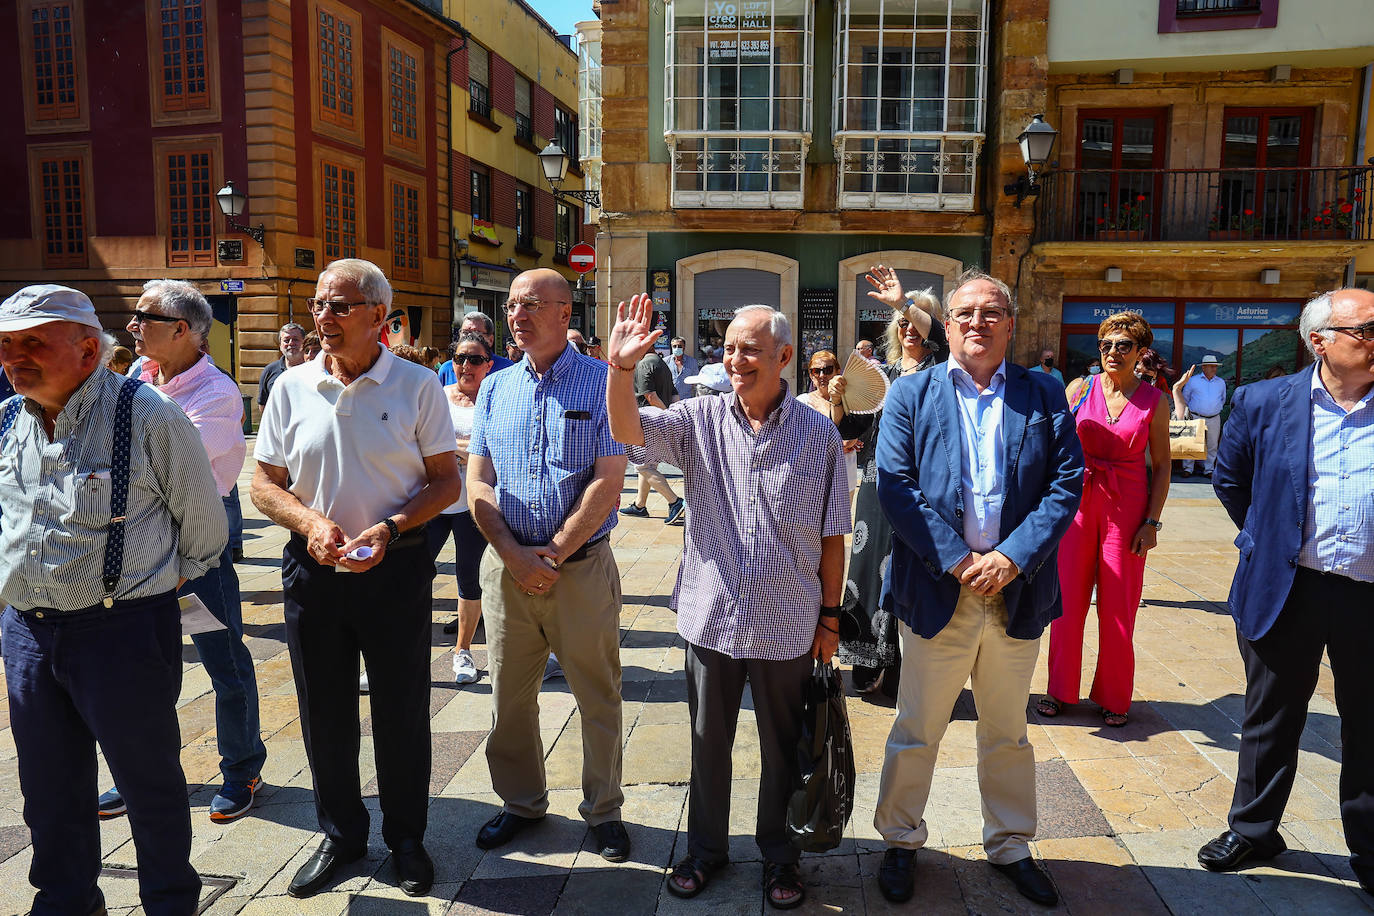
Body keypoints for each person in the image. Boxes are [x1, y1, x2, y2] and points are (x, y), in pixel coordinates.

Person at [606, 297, 850, 910]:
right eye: (729, 347)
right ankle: (706, 851)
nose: (734, 359)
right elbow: (629, 433)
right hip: (713, 617)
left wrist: (829, 616)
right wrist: (619, 370)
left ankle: (780, 856)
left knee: (782, 746)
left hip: (788, 622)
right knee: (706, 743)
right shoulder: (701, 418)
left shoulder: (820, 432)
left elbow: (832, 533)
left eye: (749, 349)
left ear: (784, 357)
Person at [0, 284, 228, 915]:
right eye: (7, 344)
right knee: (48, 787)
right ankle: (67, 901)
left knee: (147, 783)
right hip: (26, 632)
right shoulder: (8, 421)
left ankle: (169, 902)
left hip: (121, 631)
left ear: (86, 347)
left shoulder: (149, 416)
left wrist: (150, 586)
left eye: (33, 342)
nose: (15, 357)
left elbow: (204, 525)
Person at [251, 259, 462, 898]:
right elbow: (263, 484)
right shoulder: (290, 386)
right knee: (324, 711)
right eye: (319, 305)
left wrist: (393, 528)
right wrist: (310, 522)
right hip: (313, 570)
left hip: (394, 568)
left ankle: (406, 839)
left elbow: (447, 480)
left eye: (340, 306)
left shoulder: (419, 386)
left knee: (401, 709)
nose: (324, 317)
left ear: (379, 317)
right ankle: (342, 835)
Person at [873, 270, 1083, 907]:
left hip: (1016, 592)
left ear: (1010, 325)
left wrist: (1014, 558)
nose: (977, 323)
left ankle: (1011, 844)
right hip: (940, 591)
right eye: (965, 312)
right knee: (917, 728)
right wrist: (959, 559)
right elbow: (894, 486)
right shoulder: (912, 392)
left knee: (1007, 731)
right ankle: (901, 840)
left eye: (992, 313)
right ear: (947, 322)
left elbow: (1065, 483)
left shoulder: (1043, 393)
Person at [1196, 289, 1374, 896]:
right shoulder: (1264, 400)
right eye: (1368, 328)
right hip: (1287, 586)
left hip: (1368, 594)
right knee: (1269, 718)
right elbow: (1230, 477)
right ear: (1319, 340)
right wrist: (1267, 537)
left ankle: (1370, 848)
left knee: (1370, 723)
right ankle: (1253, 829)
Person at [465, 268, 631, 863]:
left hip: (580, 568)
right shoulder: (494, 387)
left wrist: (555, 552)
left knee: (598, 694)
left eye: (532, 304)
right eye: (512, 305)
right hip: (506, 569)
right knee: (508, 697)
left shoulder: (603, 383)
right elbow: (478, 480)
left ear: (567, 313)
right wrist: (511, 553)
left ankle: (604, 809)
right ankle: (521, 803)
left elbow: (609, 482)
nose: (518, 315)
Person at [89, 281, 268, 824]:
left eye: (145, 316)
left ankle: (241, 770)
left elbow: (163, 472)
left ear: (182, 330)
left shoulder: (214, 395)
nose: (132, 324)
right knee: (136, 670)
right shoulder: (133, 379)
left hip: (196, 555)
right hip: (133, 556)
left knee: (224, 662)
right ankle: (137, 774)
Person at [1039, 312, 1171, 728]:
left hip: (1127, 507)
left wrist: (1152, 523)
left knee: (1118, 605)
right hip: (1078, 505)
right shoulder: (1079, 388)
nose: (1113, 352)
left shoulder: (1154, 400)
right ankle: (1060, 690)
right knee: (1067, 604)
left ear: (1140, 352)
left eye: (1123, 346)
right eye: (1106, 345)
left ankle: (1115, 696)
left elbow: (1163, 466)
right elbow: (1054, 446)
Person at [842, 265, 948, 697]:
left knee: (913, 570)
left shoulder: (943, 367)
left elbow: (941, 336)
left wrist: (905, 303)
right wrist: (840, 406)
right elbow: (856, 429)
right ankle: (869, 657)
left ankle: (909, 667)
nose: (910, 330)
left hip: (924, 484)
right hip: (875, 480)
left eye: (917, 323)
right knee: (868, 566)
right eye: (903, 324)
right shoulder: (881, 372)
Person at [427, 332, 496, 685]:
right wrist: (468, 450)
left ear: (488, 363)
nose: (465, 366)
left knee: (469, 579)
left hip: (472, 503)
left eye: (474, 359)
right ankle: (403, 649)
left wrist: (455, 450)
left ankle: (463, 651)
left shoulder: (494, 399)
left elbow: (496, 453)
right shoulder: (438, 398)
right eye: (459, 358)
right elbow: (420, 442)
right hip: (434, 500)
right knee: (412, 573)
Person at [620, 349, 685, 523]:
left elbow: (650, 395)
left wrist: (666, 417)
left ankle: (674, 501)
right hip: (657, 419)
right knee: (648, 464)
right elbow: (674, 393)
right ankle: (639, 505)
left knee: (642, 466)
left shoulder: (644, 365)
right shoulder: (662, 364)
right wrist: (671, 417)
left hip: (647, 419)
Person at [795, 349, 863, 494]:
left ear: (837, 372)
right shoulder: (802, 403)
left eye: (827, 370)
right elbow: (797, 442)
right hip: (812, 477)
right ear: (810, 374)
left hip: (845, 477)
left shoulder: (850, 402)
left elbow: (847, 441)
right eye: (816, 371)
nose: (822, 376)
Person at [1174, 354, 1228, 476]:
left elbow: (1222, 399)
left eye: (1215, 366)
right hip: (1195, 416)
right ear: (1204, 368)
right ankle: (1188, 468)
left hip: (1214, 417)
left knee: (1212, 444)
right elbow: (1185, 398)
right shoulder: (1193, 381)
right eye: (1211, 366)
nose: (1214, 369)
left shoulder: (1221, 382)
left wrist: (1214, 408)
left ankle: (1209, 469)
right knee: (1191, 443)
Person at [438, 311, 514, 384]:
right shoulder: (447, 369)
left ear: (490, 340)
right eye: (465, 333)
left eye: (476, 333)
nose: (470, 337)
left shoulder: (507, 368)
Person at [257, 321, 306, 406]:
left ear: (304, 343)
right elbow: (263, 405)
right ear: (280, 346)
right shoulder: (270, 370)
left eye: (295, 339)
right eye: (286, 340)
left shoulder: (313, 369)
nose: (291, 343)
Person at [668, 335, 700, 401]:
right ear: (671, 347)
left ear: (684, 347)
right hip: (670, 400)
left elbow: (695, 383)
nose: (677, 348)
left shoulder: (692, 362)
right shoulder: (665, 362)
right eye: (674, 346)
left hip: (687, 400)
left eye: (680, 346)